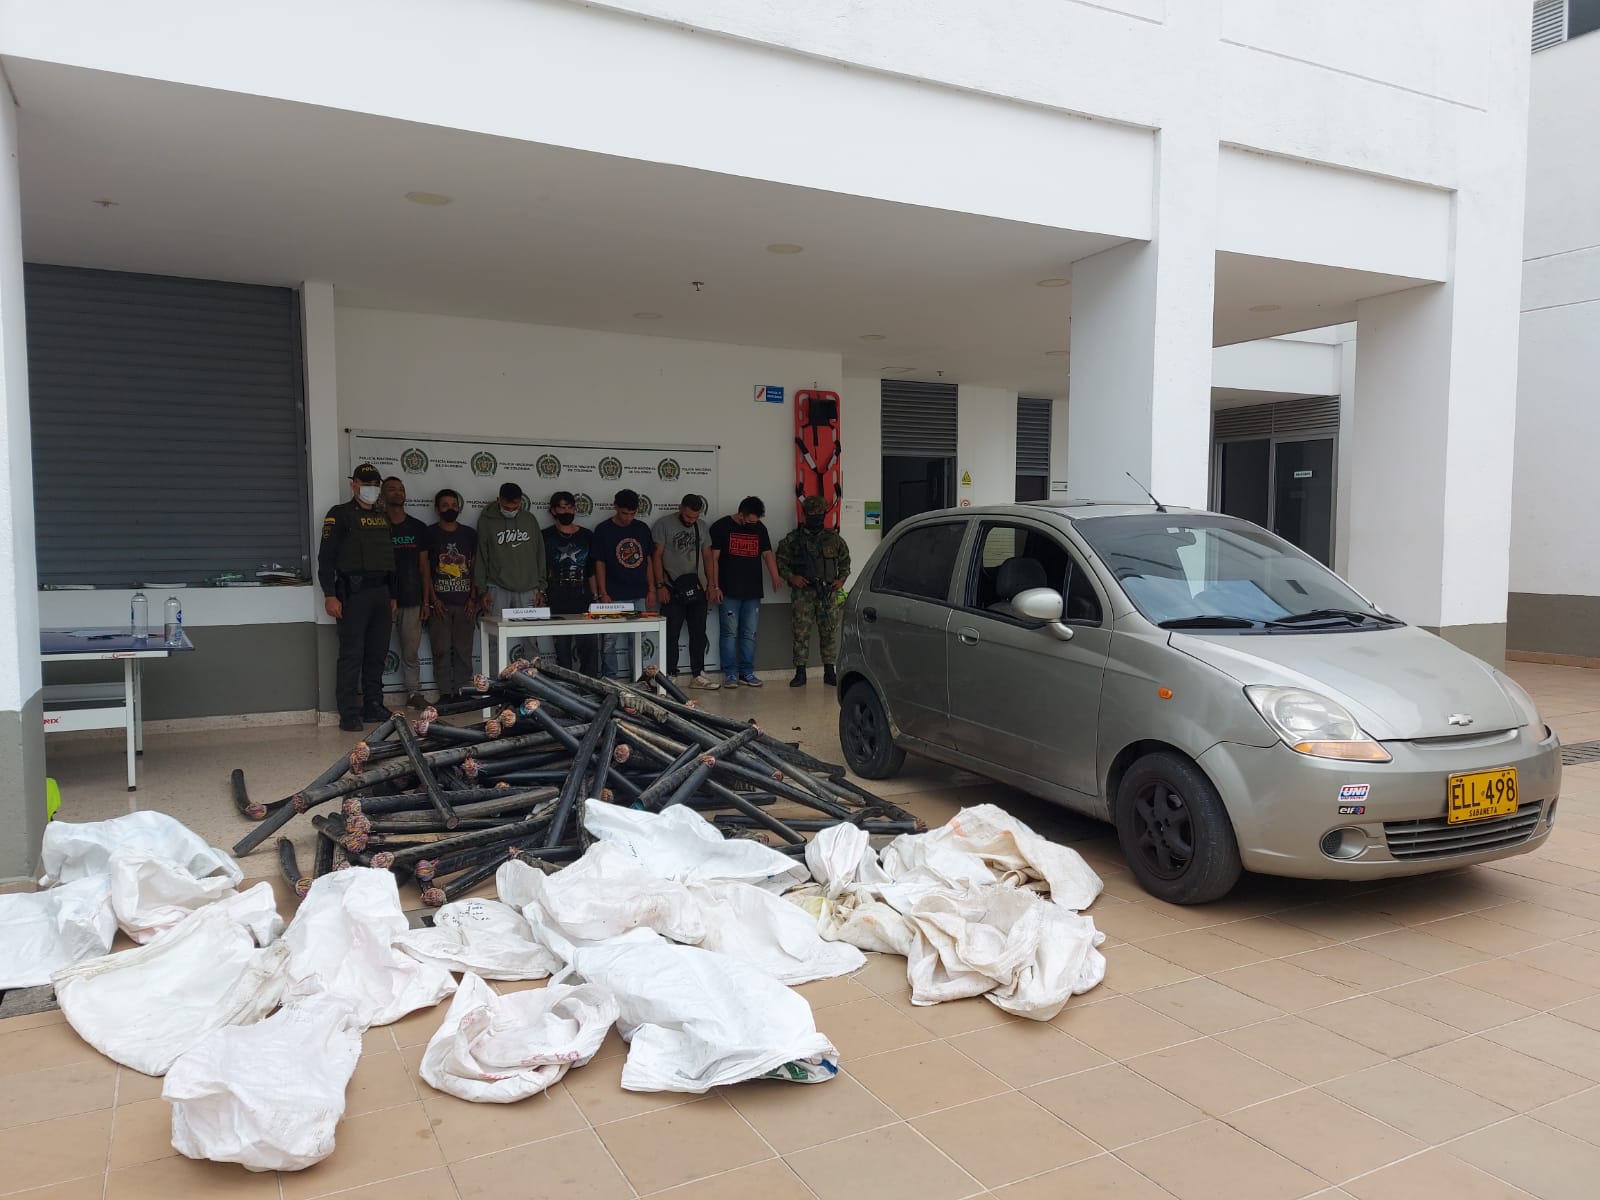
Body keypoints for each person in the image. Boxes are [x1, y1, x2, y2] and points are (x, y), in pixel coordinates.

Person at [317, 463, 397, 731]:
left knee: (377, 654)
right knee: (351, 655)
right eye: (366, 484)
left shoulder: (382, 516)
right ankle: (348, 713)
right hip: (353, 593)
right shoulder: (339, 515)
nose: (371, 489)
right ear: (354, 485)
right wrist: (330, 595)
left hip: (381, 593)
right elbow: (326, 559)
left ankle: (373, 704)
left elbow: (389, 558)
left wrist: (393, 594)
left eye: (375, 484)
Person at [775, 495, 851, 687]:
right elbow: (781, 561)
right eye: (812, 514)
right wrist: (792, 577)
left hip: (828, 593)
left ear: (824, 514)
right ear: (805, 515)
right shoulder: (793, 539)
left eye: (819, 514)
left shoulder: (833, 539)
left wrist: (841, 580)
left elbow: (845, 561)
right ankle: (800, 672)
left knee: (829, 633)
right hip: (803, 594)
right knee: (801, 634)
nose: (816, 517)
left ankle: (829, 672)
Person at [707, 495, 781, 687]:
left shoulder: (760, 528)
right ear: (741, 515)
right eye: (750, 521)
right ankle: (730, 673)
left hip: (752, 592)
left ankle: (747, 672)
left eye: (756, 521)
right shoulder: (721, 527)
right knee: (729, 633)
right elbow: (713, 559)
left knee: (750, 633)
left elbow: (767, 554)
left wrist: (775, 577)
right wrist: (715, 586)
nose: (753, 525)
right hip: (729, 591)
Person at [651, 494, 718, 689]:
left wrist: (711, 585)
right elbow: (656, 556)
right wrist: (660, 585)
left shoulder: (701, 527)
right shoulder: (663, 524)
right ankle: (670, 675)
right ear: (680, 508)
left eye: (695, 517)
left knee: (699, 632)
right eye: (688, 516)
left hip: (695, 587)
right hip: (671, 588)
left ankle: (698, 674)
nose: (691, 521)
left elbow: (707, 556)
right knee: (671, 634)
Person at [591, 488, 657, 679]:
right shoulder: (603, 530)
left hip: (638, 593)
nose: (628, 518)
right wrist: (603, 593)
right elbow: (599, 563)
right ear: (615, 507)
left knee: (637, 640)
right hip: (613, 594)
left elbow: (648, 560)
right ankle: (610, 680)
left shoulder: (642, 528)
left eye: (632, 513)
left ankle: (638, 678)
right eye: (624, 513)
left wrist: (651, 588)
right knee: (609, 641)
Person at [420, 488, 478, 699]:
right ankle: (445, 693)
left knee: (463, 651)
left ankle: (463, 691)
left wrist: (473, 598)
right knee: (441, 650)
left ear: (459, 508)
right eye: (445, 505)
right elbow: (425, 569)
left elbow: (475, 568)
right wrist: (432, 600)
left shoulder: (470, 534)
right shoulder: (429, 533)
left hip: (465, 603)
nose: (450, 509)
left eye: (454, 505)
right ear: (437, 509)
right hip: (440, 604)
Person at [382, 476, 430, 709]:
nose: (397, 493)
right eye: (391, 489)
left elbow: (424, 567)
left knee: (411, 652)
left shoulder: (418, 527)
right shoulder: (376, 525)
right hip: (381, 598)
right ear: (382, 495)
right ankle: (373, 697)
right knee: (376, 651)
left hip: (411, 598)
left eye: (401, 489)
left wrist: (426, 601)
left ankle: (414, 693)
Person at [541, 490, 599, 675]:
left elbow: (591, 570)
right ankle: (564, 686)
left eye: (570, 507)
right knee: (562, 648)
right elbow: (540, 569)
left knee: (589, 645)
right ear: (553, 511)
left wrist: (595, 596)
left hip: (583, 594)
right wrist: (541, 594)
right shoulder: (545, 536)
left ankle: (590, 684)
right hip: (557, 595)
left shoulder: (587, 535)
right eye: (562, 508)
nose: (566, 511)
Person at [473, 481, 547, 620]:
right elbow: (482, 556)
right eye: (507, 507)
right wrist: (482, 590)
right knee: (496, 630)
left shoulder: (529, 519)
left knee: (529, 632)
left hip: (528, 587)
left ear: (520, 501)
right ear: (499, 500)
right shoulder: (486, 520)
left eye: (515, 507)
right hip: (497, 587)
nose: (511, 511)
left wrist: (541, 588)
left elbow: (540, 554)